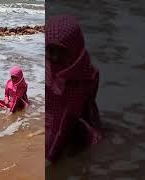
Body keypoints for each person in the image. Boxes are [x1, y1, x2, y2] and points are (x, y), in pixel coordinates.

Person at [45, 15, 102, 164]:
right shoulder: (47, 66)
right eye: (50, 50)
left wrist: (50, 159)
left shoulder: (83, 78)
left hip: (72, 123)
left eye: (61, 52)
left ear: (75, 49)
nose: (55, 57)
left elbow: (65, 123)